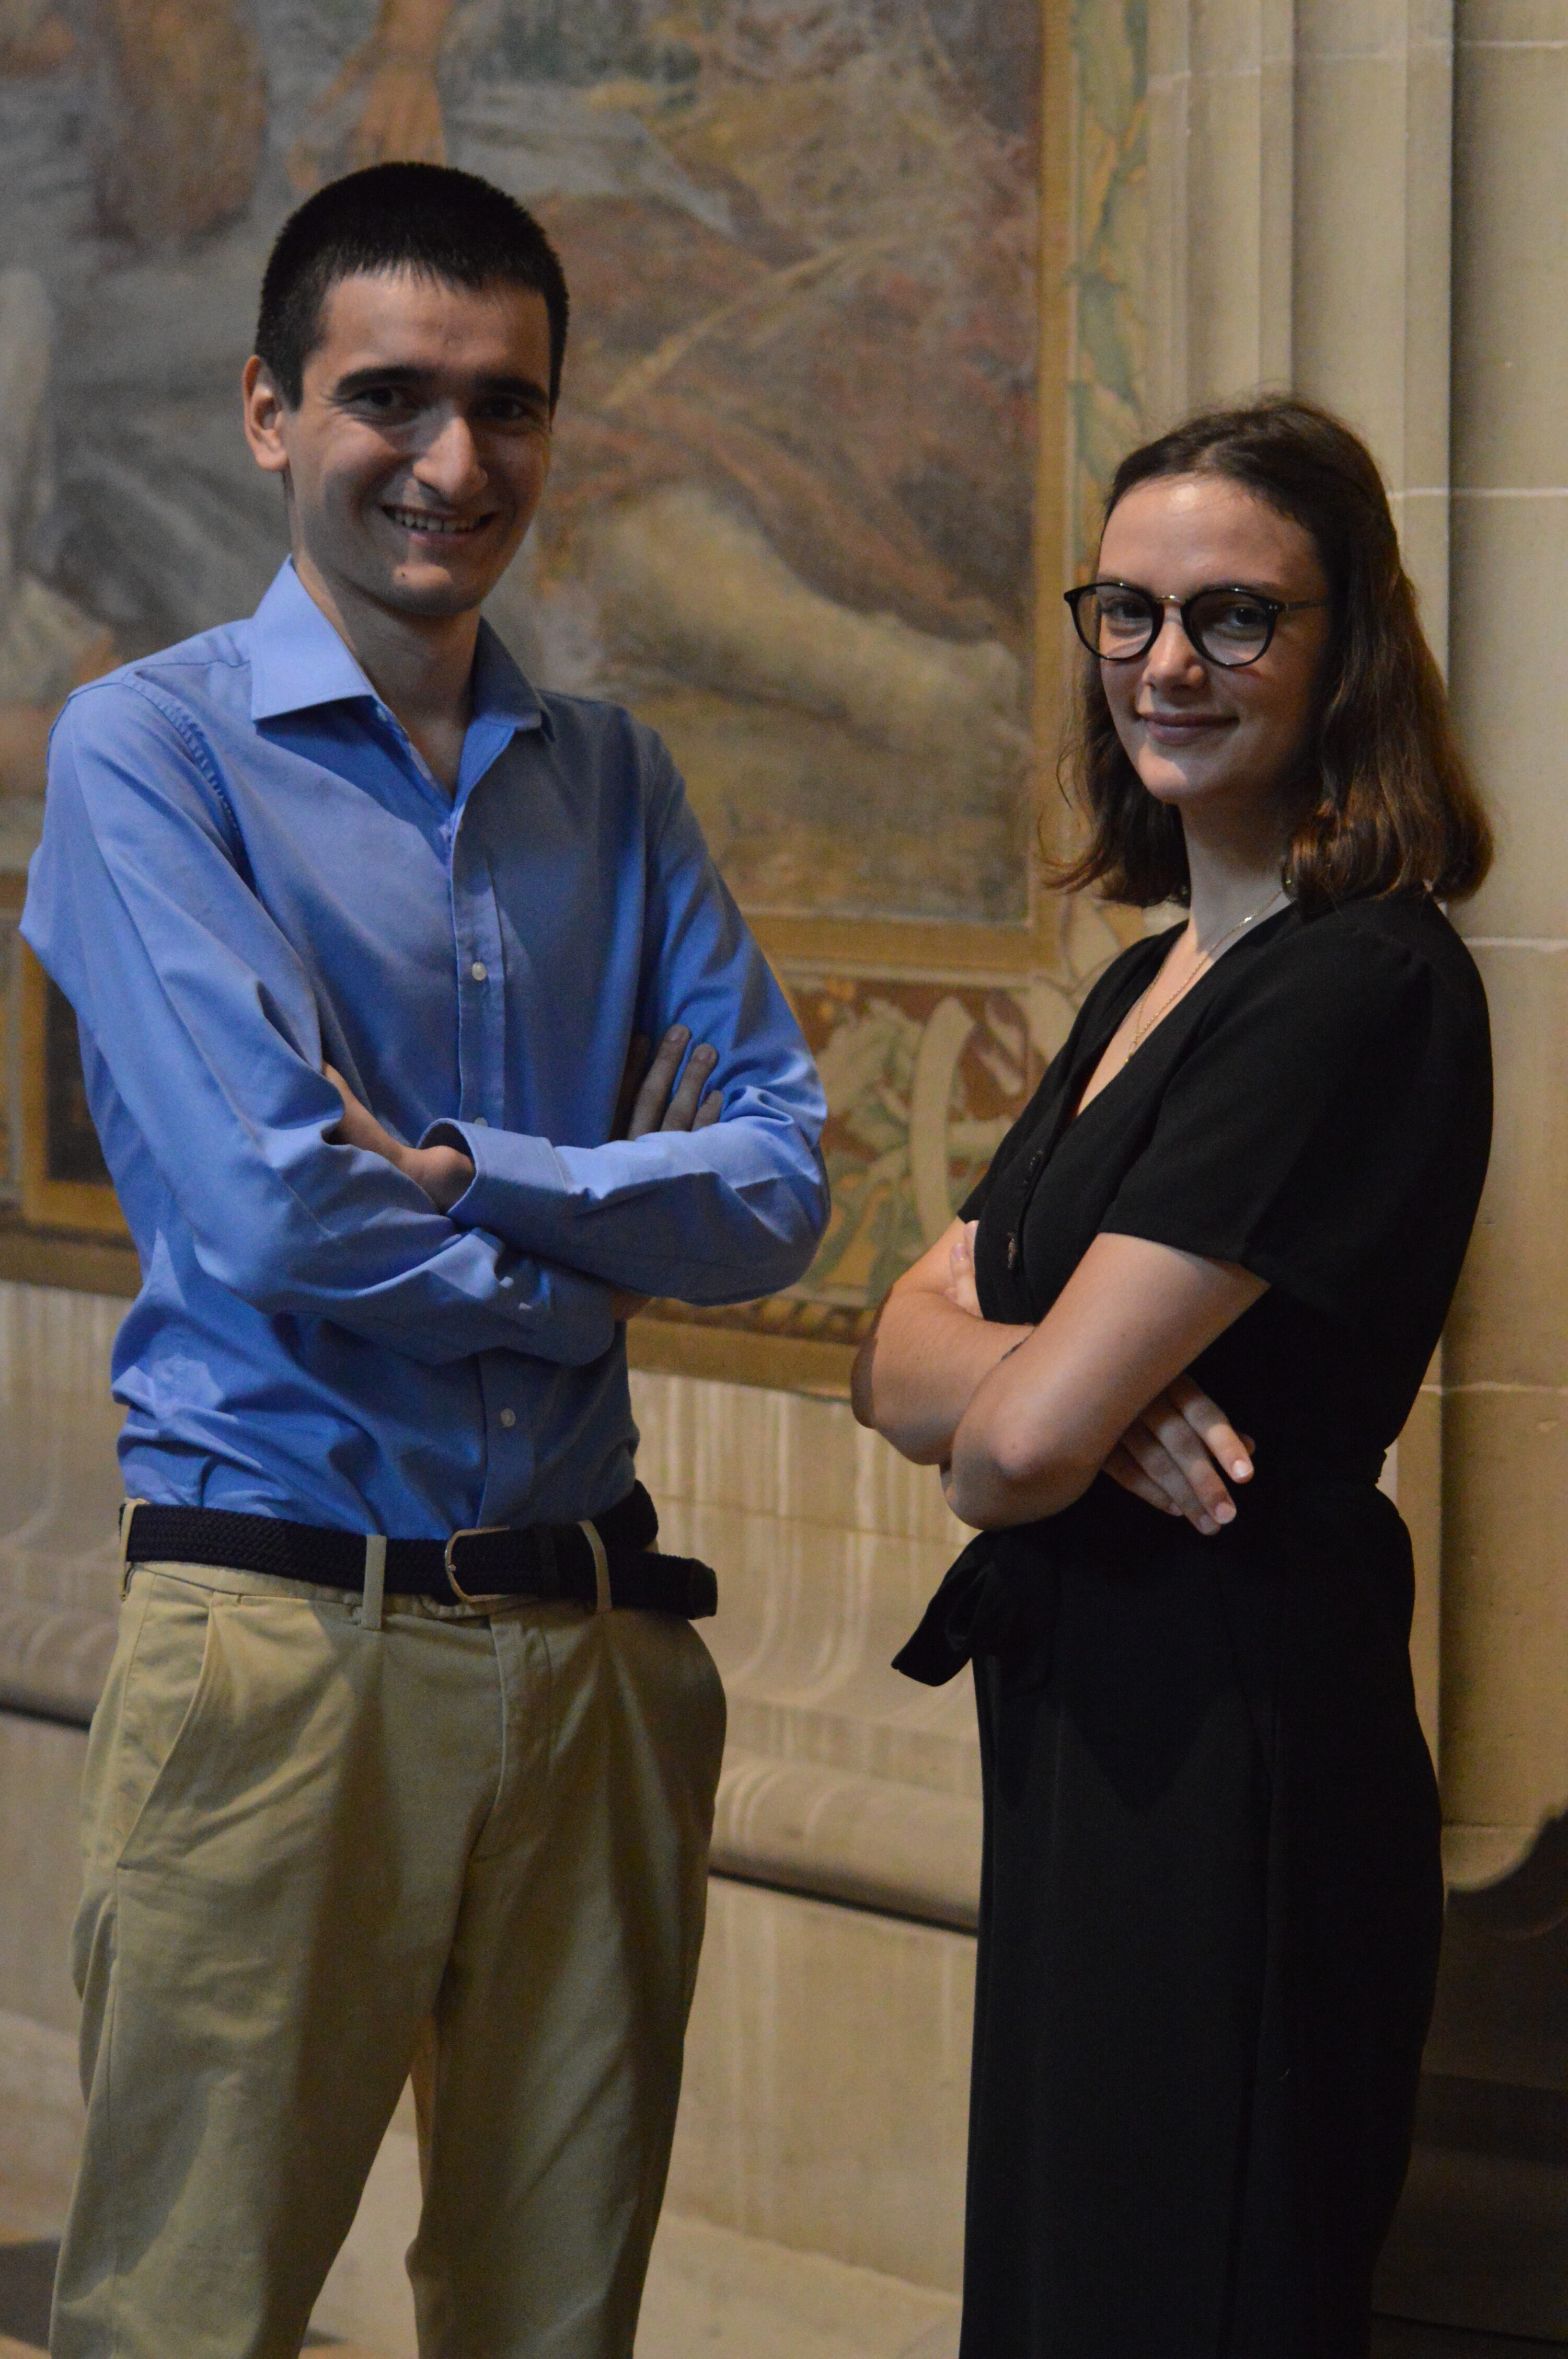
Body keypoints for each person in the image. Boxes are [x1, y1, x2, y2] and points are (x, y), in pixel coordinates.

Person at [24, 161, 827, 2359]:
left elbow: (784, 1184)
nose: (455, 463)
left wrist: (474, 1174)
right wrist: (595, 1239)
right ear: (269, 411)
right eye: (392, 395)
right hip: (284, 1646)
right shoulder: (147, 752)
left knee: (554, 2327)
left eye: (510, 406)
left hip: (596, 1657)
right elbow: (276, 1198)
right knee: (190, 2321)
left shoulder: (620, 785)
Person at [852, 397, 1493, 2358]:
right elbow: (892, 1349)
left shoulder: (1359, 979)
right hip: (1093, 1724)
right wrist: (1063, 1391)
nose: (1166, 663)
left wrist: (1048, 1404)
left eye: (1235, 617)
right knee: (1069, 2282)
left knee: (1176, 2294)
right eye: (1126, 611)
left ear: (1346, 648)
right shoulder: (1153, 979)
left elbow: (1001, 1451)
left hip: (1236, 1747)